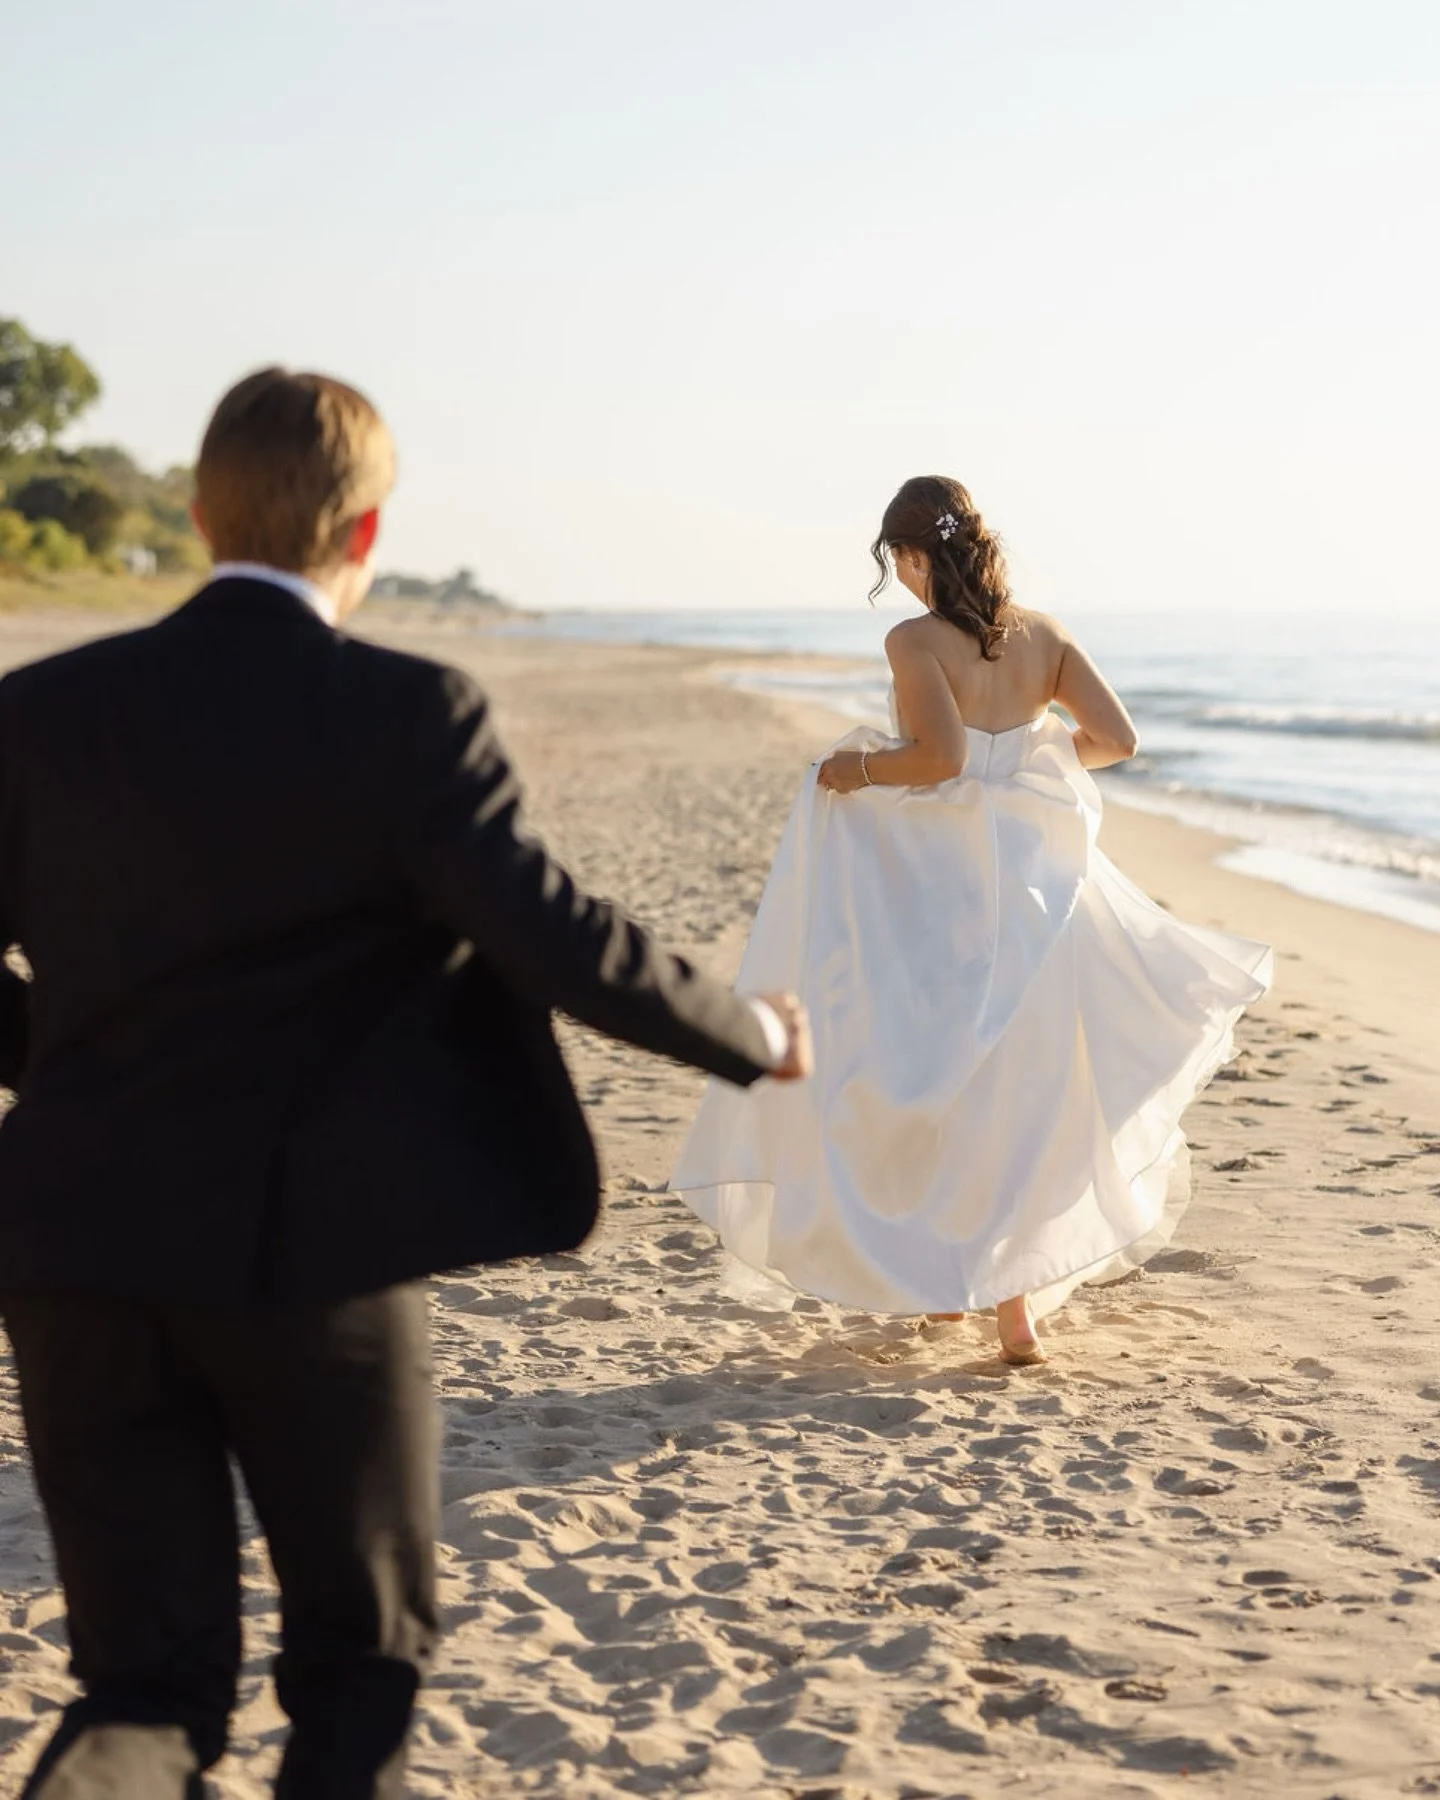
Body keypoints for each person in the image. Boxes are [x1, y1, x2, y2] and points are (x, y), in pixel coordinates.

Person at [0, 367, 811, 1800]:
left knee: (138, 1689)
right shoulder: (406, 713)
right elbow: (554, 933)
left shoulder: (44, 710)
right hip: (312, 1258)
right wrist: (746, 1028)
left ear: (199, 516)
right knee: (357, 1670)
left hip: (71, 1247)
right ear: (365, 536)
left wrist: (60, 1057)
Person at [671, 474, 1272, 1362]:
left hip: (941, 881)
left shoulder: (914, 639)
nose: (903, 579)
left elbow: (939, 760)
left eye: (899, 561)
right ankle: (1006, 1308)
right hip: (1036, 880)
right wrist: (1032, 753)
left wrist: (856, 774)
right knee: (1020, 1089)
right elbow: (1117, 743)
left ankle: (953, 1284)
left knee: (930, 1070)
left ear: (915, 554)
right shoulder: (1047, 635)